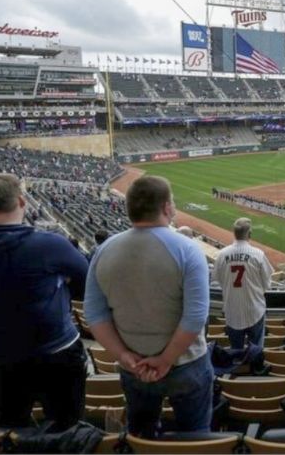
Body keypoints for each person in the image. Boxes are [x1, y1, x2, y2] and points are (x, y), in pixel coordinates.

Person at [0, 173, 89, 429]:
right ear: (21, 201)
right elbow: (85, 283)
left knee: (11, 424)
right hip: (55, 352)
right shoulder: (49, 244)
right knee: (67, 427)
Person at [85, 175, 212, 438]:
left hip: (135, 365)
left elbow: (95, 314)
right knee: (196, 436)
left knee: (140, 436)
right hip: (186, 364)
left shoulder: (104, 249)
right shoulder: (188, 249)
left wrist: (122, 355)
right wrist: (165, 360)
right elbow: (195, 316)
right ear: (166, 207)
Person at [213, 217, 274, 349]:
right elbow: (267, 284)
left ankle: (238, 367)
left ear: (234, 233)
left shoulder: (222, 255)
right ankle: (256, 368)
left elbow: (216, 280)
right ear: (250, 234)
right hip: (254, 310)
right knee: (256, 349)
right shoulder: (258, 254)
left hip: (232, 312)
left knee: (236, 350)